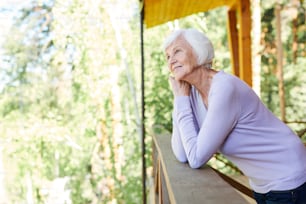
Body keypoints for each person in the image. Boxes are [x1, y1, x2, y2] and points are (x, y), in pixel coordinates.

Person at [164, 28, 306, 204]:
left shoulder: (224, 88)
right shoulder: (189, 93)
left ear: (198, 51)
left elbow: (196, 159)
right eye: (168, 56)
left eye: (177, 51)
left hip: (288, 176)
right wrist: (180, 100)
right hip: (261, 184)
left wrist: (181, 100)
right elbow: (182, 154)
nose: (171, 60)